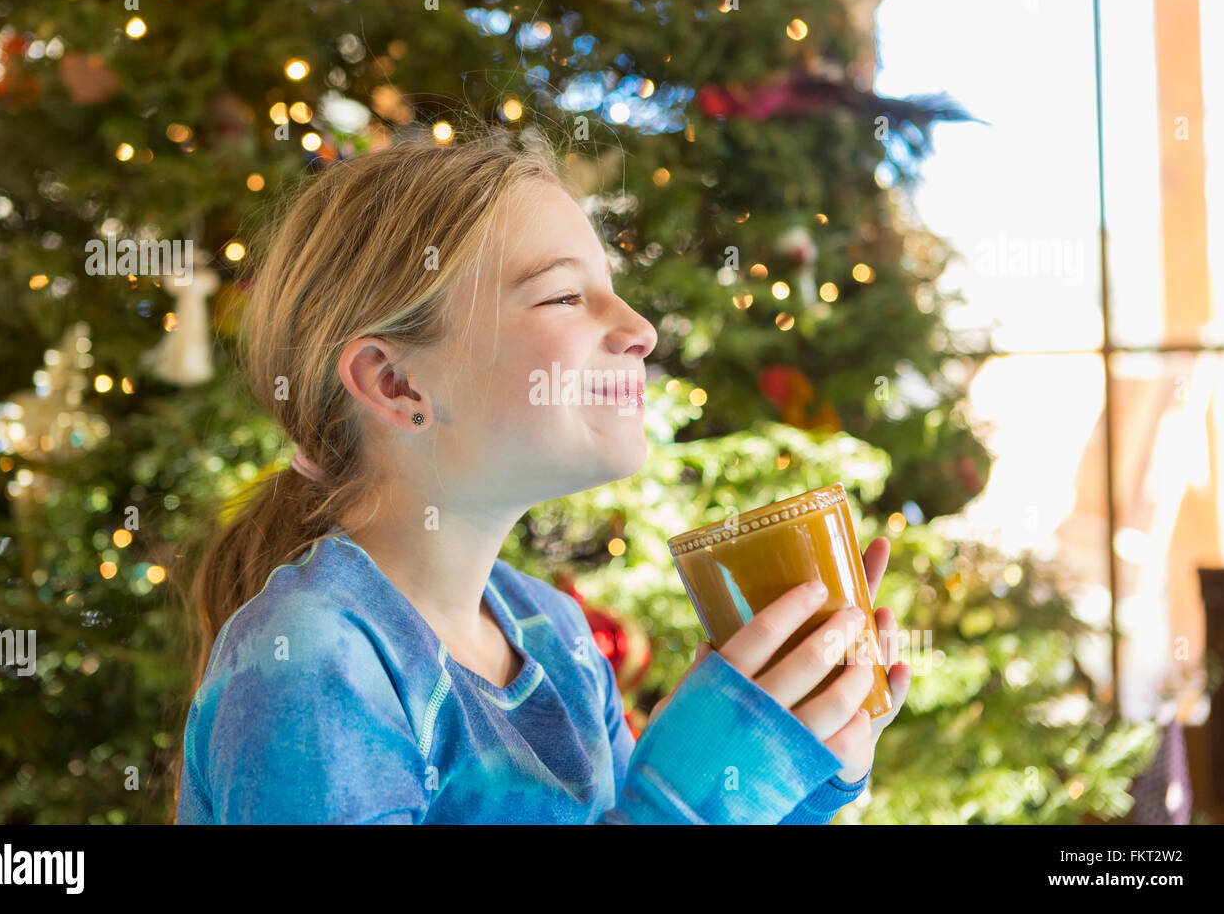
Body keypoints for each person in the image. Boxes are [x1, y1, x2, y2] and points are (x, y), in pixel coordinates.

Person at [173, 131, 911, 824]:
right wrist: (685, 803)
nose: (640, 329)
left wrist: (795, 766)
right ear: (396, 383)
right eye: (564, 295)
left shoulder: (553, 634)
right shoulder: (311, 658)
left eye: (612, 288)